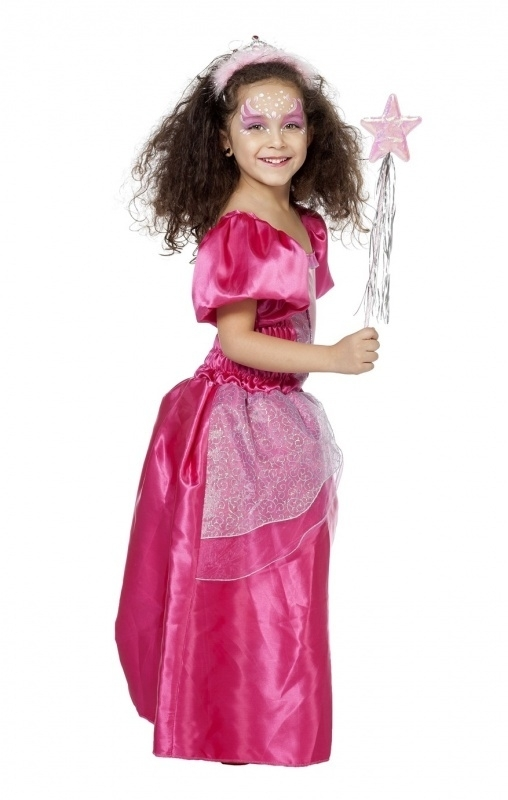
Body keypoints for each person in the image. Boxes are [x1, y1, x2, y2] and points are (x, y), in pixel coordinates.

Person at [115, 37, 380, 767]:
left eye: (291, 124)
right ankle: (225, 726)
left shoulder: (302, 219)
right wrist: (330, 359)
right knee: (239, 585)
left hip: (278, 419)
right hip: (231, 423)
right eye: (254, 124)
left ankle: (268, 727)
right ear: (223, 139)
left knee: (283, 586)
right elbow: (237, 341)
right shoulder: (239, 229)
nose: (275, 140)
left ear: (313, 132)